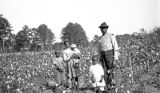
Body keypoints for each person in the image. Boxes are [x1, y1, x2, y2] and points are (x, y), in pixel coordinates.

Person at [98, 22, 119, 90]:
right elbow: (99, 49)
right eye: (102, 28)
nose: (103, 29)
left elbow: (115, 47)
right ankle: (107, 85)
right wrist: (100, 58)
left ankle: (113, 85)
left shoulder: (111, 36)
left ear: (107, 28)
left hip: (110, 54)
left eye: (104, 28)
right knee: (104, 71)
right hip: (103, 55)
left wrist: (115, 58)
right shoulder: (100, 38)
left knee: (111, 70)